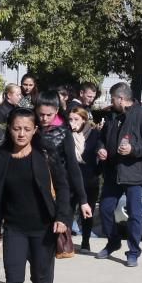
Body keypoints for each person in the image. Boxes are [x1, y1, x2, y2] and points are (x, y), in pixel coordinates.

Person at [0, 108, 71, 283]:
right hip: (14, 229)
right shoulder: (0, 157)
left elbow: (62, 186)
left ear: (35, 130)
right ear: (9, 128)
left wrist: (62, 217)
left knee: (41, 280)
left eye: (27, 129)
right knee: (13, 281)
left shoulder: (45, 155)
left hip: (43, 230)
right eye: (17, 128)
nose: (21, 133)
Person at [96, 82, 142, 268]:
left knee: (134, 213)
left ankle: (133, 252)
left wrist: (133, 149)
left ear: (121, 99)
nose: (111, 101)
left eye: (113, 98)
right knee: (106, 209)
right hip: (112, 173)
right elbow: (101, 139)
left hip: (134, 174)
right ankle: (113, 242)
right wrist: (101, 149)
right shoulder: (111, 116)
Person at [33, 91, 90, 236]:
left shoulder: (64, 133)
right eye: (41, 114)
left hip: (56, 190)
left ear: (56, 111)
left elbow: (73, 167)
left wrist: (83, 199)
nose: (44, 118)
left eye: (48, 115)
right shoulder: (31, 128)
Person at [68, 106, 102, 252]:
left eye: (76, 119)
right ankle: (65, 242)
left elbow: (100, 150)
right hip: (70, 179)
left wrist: (97, 172)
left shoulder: (94, 134)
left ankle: (85, 241)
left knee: (87, 213)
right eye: (70, 119)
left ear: (84, 120)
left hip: (89, 179)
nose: (72, 122)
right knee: (67, 211)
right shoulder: (66, 134)